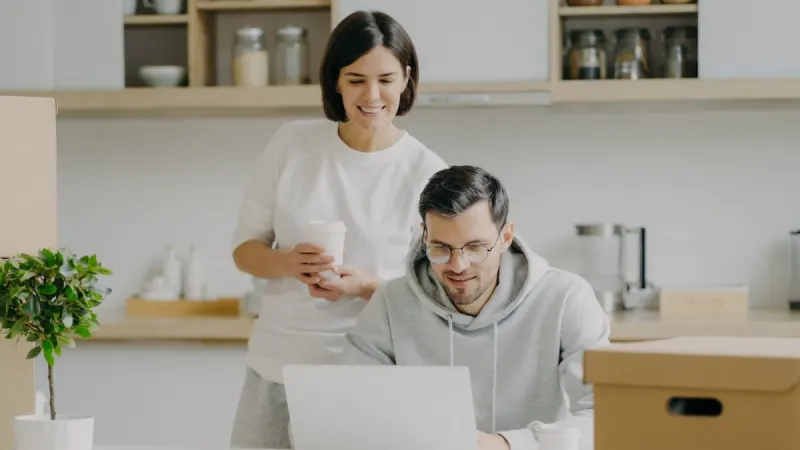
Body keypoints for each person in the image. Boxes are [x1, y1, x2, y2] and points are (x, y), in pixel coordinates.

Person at [228, 10, 448, 449]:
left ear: (406, 79)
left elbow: (438, 293)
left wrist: (367, 285)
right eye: (355, 79)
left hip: (367, 375)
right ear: (335, 82)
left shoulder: (428, 173)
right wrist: (289, 262)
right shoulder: (292, 144)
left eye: (386, 79)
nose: (372, 94)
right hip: (276, 368)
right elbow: (245, 250)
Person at [342, 165, 611, 450]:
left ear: (505, 237)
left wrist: (505, 444)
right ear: (424, 236)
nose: (458, 266)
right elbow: (351, 406)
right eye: (441, 248)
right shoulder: (390, 302)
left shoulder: (566, 298)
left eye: (475, 248)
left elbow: (606, 414)